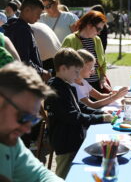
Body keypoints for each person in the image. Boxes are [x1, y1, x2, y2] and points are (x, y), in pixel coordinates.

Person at [44, 48, 114, 179]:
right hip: (65, 141)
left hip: (73, 138)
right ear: (63, 68)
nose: (77, 76)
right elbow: (72, 116)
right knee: (64, 174)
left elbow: (79, 106)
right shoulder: (56, 89)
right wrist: (101, 118)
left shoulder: (66, 84)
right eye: (76, 72)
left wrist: (100, 113)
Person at [0, 61, 63, 181]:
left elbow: (40, 174)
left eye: (33, 119)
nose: (28, 129)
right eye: (24, 117)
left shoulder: (10, 141)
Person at [3, 0, 51, 82]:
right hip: (24, 80)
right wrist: (41, 72)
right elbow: (24, 59)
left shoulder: (14, 27)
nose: (39, 17)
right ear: (27, 10)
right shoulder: (22, 29)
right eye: (38, 14)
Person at [62, 11, 112, 93]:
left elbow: (103, 63)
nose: (99, 33)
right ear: (89, 25)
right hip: (78, 87)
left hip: (97, 85)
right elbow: (63, 65)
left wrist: (103, 79)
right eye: (98, 29)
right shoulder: (70, 40)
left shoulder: (97, 40)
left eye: (101, 30)